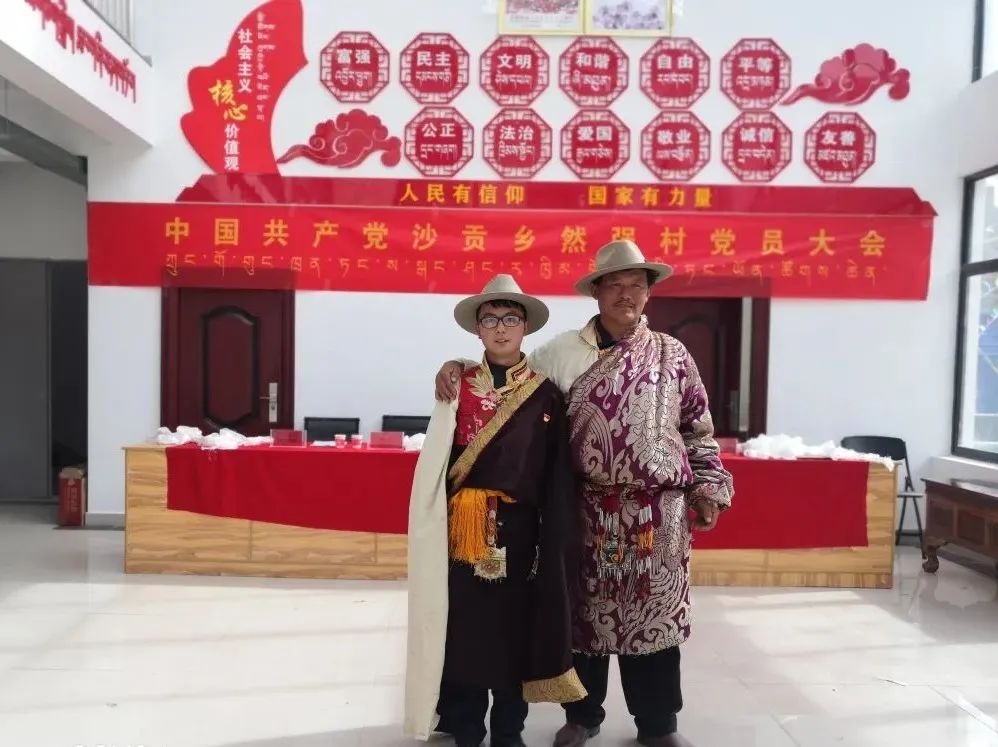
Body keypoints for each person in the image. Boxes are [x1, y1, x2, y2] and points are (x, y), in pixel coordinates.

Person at [434, 242, 734, 747]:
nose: (626, 294)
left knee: (656, 621)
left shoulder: (672, 354)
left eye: (636, 285)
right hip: (586, 510)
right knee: (584, 621)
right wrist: (456, 364)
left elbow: (696, 428)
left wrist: (707, 486)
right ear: (596, 292)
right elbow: (508, 380)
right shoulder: (561, 352)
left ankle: (657, 724)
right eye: (615, 285)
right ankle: (583, 716)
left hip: (656, 514)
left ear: (649, 293)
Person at [405, 274, 586, 747]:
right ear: (477, 329)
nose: (501, 328)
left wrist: (554, 536)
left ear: (525, 327)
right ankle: (466, 727)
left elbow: (555, 474)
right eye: (490, 320)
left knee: (512, 631)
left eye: (510, 319)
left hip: (520, 531)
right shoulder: (458, 386)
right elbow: (441, 457)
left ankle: (508, 730)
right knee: (464, 630)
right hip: (462, 527)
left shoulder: (546, 394)